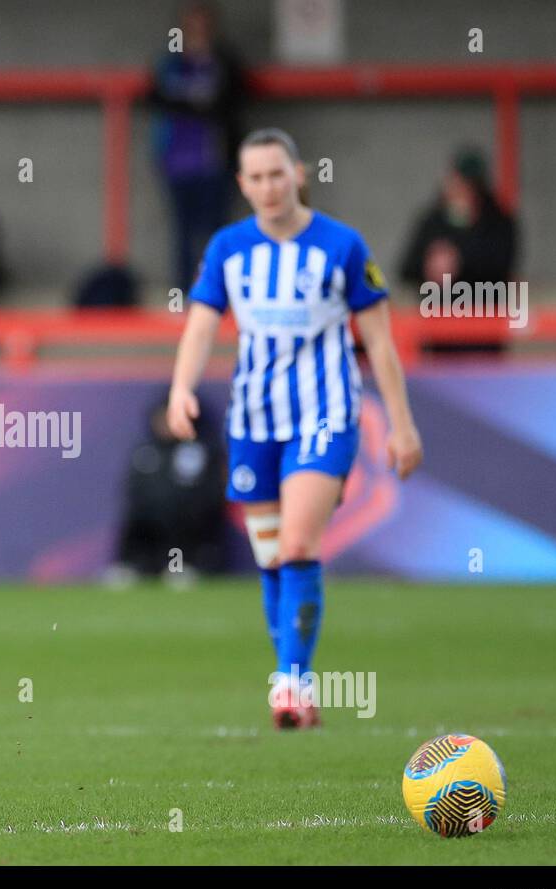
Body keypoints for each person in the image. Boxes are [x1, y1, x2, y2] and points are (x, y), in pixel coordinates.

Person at [166, 128, 423, 730]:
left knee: (299, 546)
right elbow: (202, 324)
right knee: (271, 560)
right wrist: (181, 387)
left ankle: (290, 685)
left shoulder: (343, 245)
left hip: (325, 411)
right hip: (255, 416)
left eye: (277, 174)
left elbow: (380, 343)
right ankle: (296, 683)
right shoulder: (228, 247)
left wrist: (402, 425)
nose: (268, 187)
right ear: (241, 184)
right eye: (255, 178)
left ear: (299, 173)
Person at [149, 0, 246, 294]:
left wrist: (192, 104)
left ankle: (218, 293)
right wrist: (195, 104)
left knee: (216, 231)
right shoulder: (171, 64)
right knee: (182, 232)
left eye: (203, 25)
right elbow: (156, 99)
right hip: (177, 161)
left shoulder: (224, 62)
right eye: (191, 25)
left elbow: (229, 101)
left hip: (214, 160)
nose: (197, 31)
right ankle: (182, 294)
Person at [398, 147, 519, 354]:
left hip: (485, 335)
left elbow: (501, 264)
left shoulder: (499, 221)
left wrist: (458, 260)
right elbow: (406, 267)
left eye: (468, 184)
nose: (460, 189)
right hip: (439, 337)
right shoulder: (432, 221)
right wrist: (430, 264)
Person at [112, 399, 226, 581]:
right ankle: (131, 566)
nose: (164, 424)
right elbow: (133, 486)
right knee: (137, 522)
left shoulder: (200, 450)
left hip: (187, 518)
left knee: (182, 522)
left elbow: (211, 491)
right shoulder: (146, 450)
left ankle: (179, 566)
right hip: (150, 518)